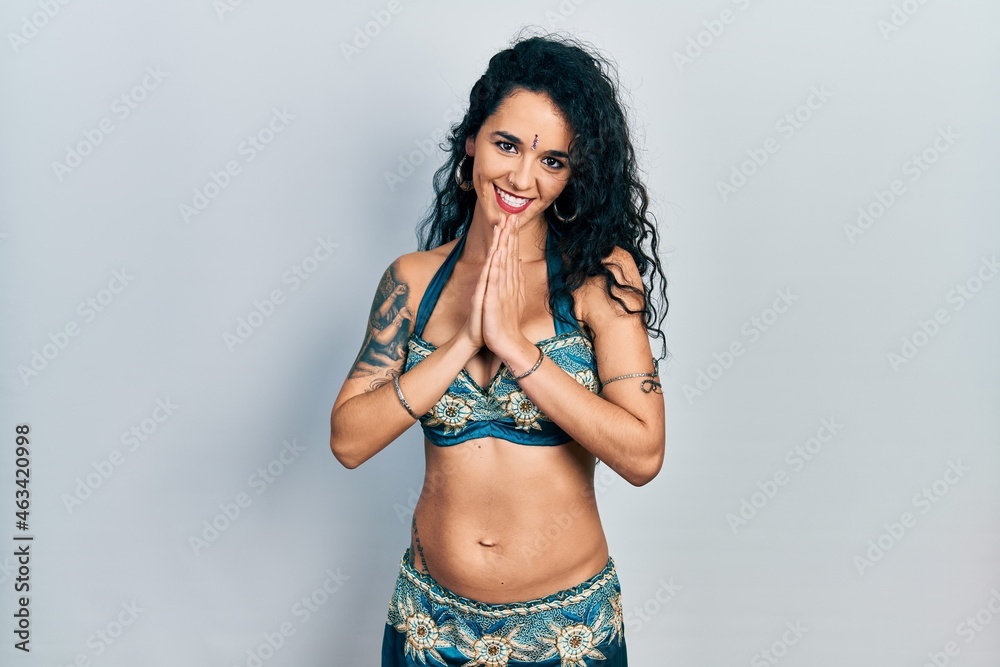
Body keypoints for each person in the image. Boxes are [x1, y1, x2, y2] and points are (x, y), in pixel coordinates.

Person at [330, 32, 668, 667]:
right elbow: (349, 441)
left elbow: (643, 454)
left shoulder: (600, 279)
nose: (521, 176)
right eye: (506, 145)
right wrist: (463, 342)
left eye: (553, 161)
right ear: (471, 141)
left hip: (568, 635)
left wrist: (517, 349)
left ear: (574, 174)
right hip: (431, 629)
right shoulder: (412, 282)